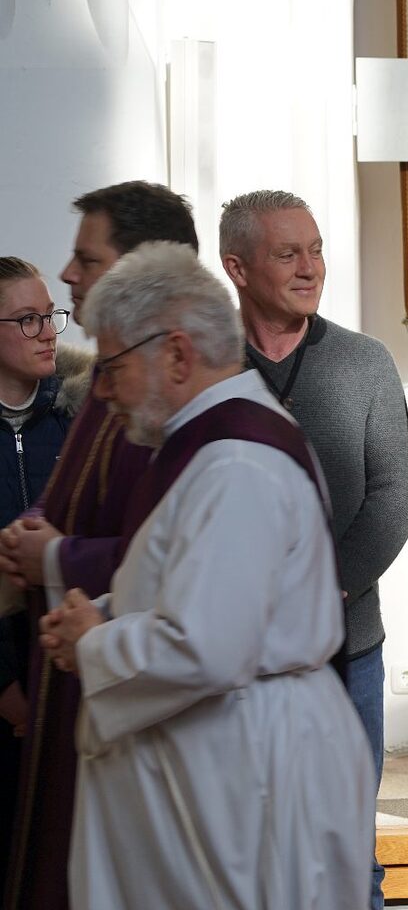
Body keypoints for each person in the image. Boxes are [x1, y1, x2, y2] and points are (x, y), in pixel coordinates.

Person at [36, 242, 372, 908]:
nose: (102, 391)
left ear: (177, 355)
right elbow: (208, 592)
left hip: (249, 778)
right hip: (230, 763)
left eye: (112, 367)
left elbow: (208, 646)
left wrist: (94, 641)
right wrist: (107, 612)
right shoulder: (215, 444)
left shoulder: (237, 463)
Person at [0, 181, 198, 910]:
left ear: (141, 269)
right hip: (73, 690)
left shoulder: (178, 405)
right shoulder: (109, 390)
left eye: (87, 259)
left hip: (142, 711)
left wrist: (53, 558)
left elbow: (174, 564)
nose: (68, 276)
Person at [219, 189, 408, 909]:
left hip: (345, 649)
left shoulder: (364, 363)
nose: (311, 267)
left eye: (317, 250)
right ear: (237, 267)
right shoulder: (203, 367)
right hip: (231, 654)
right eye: (288, 254)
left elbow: (395, 497)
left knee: (346, 856)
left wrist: (324, 590)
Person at [0, 260, 80, 872]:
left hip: (69, 673)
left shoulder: (79, 418)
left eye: (50, 315)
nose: (48, 332)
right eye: (28, 319)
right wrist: (3, 687)